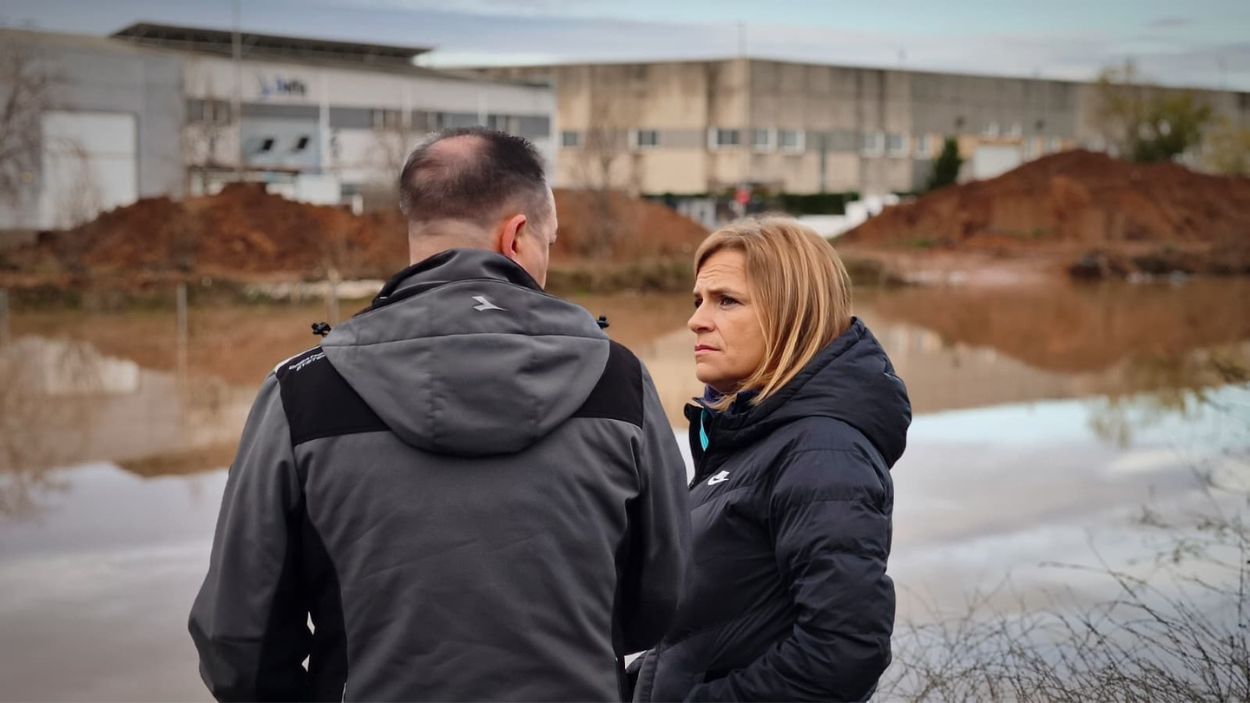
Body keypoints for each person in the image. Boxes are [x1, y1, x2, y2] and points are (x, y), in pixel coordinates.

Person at [189, 127, 690, 702]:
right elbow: (663, 595)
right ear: (516, 237)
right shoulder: (620, 382)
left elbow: (238, 641)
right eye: (548, 242)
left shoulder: (301, 392)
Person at [631, 217, 910, 702]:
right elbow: (699, 640)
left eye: (727, 301)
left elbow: (844, 653)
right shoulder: (752, 439)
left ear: (792, 315)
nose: (697, 320)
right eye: (698, 301)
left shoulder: (823, 453)